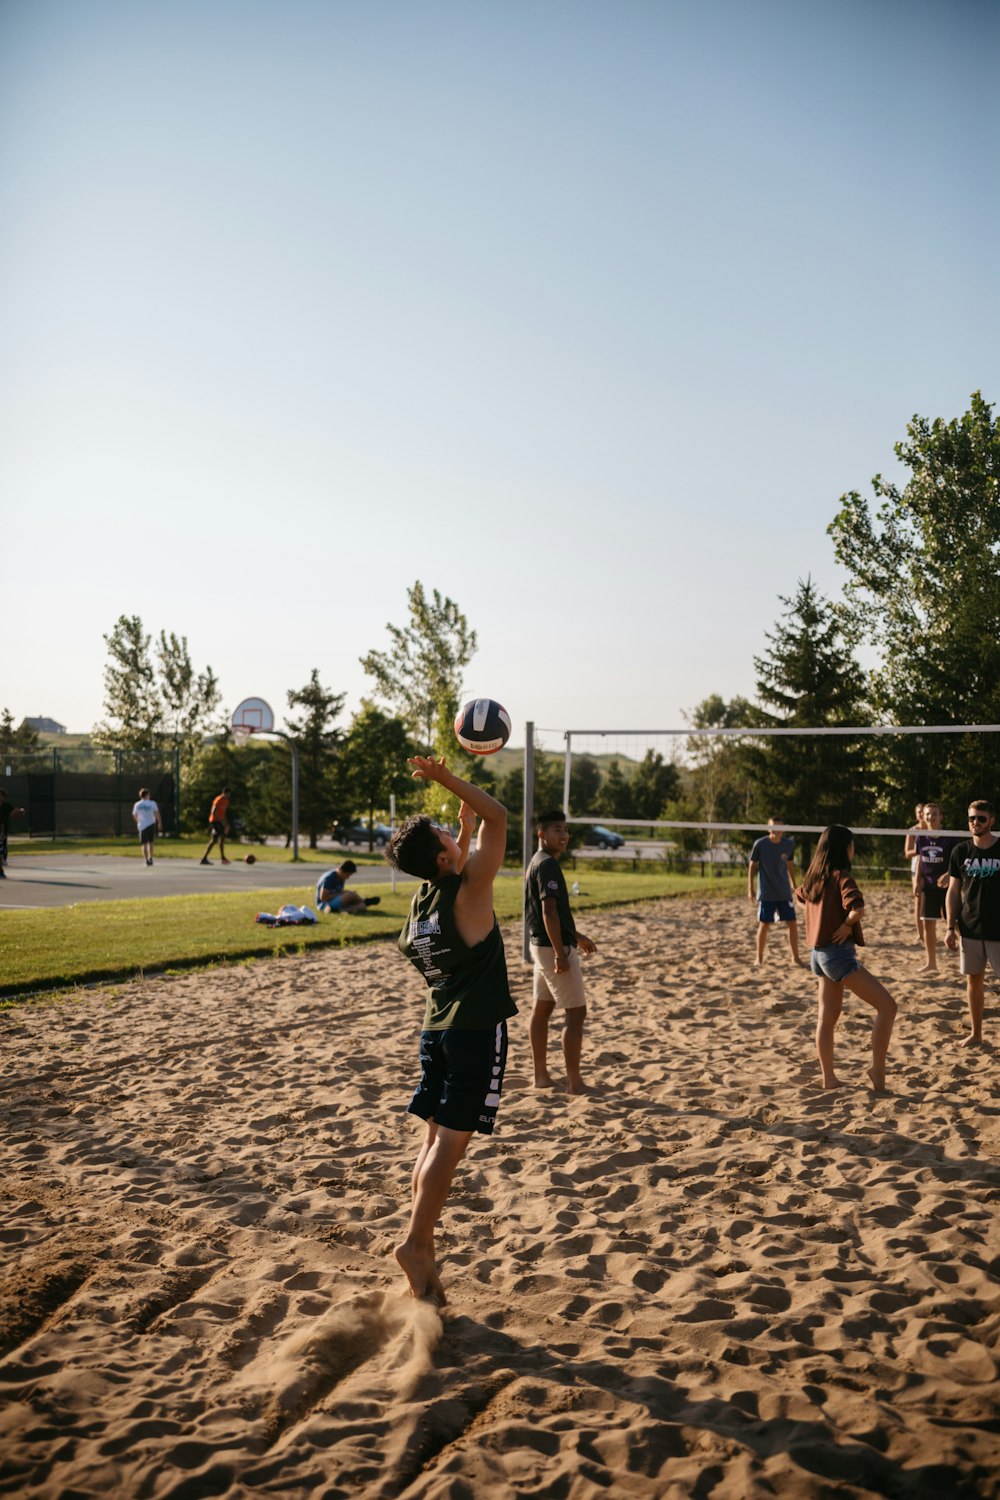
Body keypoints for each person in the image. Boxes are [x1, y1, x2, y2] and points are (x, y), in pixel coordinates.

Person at [385, 756, 516, 1305]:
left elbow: (468, 836)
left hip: (435, 1031)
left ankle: (422, 1244)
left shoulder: (422, 902)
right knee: (450, 1145)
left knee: (434, 1139)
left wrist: (458, 827)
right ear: (442, 857)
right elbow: (501, 817)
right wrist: (446, 780)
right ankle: (417, 1243)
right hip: (474, 1031)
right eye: (445, 834)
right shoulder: (470, 890)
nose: (452, 830)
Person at [795, 824, 897, 1091]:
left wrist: (822, 917)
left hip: (817, 955)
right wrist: (846, 924)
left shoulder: (814, 876)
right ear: (845, 848)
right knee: (888, 1007)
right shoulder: (842, 877)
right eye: (852, 845)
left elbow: (801, 899)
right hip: (837, 955)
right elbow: (857, 908)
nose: (854, 849)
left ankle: (829, 1078)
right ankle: (877, 1070)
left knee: (826, 1019)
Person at [525, 809, 597, 1093]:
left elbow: (552, 913)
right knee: (577, 1013)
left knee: (542, 1009)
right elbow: (548, 912)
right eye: (557, 829)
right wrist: (560, 953)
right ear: (541, 834)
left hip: (539, 946)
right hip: (550, 948)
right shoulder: (547, 865)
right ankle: (575, 1083)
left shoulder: (537, 861)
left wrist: (576, 936)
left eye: (566, 829)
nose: (564, 834)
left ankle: (540, 1077)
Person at [945, 799, 1000, 1047]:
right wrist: (949, 927)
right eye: (971, 818)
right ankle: (977, 1034)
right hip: (970, 928)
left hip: (998, 929)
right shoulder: (961, 851)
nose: (975, 823)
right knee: (974, 980)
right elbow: (953, 892)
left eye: (980, 818)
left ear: (992, 820)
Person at [748, 817, 804, 967]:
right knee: (764, 924)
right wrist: (750, 888)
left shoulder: (788, 844)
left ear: (783, 829)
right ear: (768, 828)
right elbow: (752, 866)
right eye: (773, 827)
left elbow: (790, 865)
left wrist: (794, 883)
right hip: (766, 892)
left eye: (779, 827)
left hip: (784, 891)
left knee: (792, 923)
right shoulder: (760, 844)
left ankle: (795, 957)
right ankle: (759, 958)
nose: (776, 830)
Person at [914, 803, 958, 973]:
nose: (930, 817)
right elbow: (920, 860)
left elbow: (957, 861)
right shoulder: (921, 837)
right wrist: (918, 880)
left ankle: (967, 956)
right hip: (929, 886)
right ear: (923, 816)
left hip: (948, 887)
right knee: (928, 924)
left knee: (955, 923)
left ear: (941, 816)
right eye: (927, 814)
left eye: (934, 814)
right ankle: (931, 962)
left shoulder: (950, 837)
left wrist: (949, 874)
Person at [314, 859, 381, 914]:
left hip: (333, 904)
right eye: (347, 875)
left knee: (362, 907)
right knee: (350, 894)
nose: (348, 877)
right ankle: (365, 901)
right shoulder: (329, 878)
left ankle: (339, 910)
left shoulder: (341, 878)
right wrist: (343, 893)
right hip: (324, 905)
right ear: (341, 871)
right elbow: (323, 897)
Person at [904, 803, 928, 941]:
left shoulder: (935, 829)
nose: (920, 814)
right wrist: (920, 849)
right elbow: (907, 853)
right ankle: (920, 935)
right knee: (918, 900)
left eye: (922, 812)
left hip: (933, 867)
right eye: (918, 812)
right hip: (916, 867)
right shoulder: (913, 830)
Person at [131, 787, 163, 867]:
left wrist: (139, 821)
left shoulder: (137, 804)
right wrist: (159, 822)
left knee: (144, 844)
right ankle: (150, 858)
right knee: (151, 842)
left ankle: (146, 860)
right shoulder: (152, 803)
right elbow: (157, 813)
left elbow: (134, 815)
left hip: (142, 825)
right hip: (151, 824)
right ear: (147, 795)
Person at [200, 787, 231, 866]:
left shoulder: (226, 801)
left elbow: (224, 813)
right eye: (227, 794)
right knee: (219, 837)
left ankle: (220, 858)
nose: (228, 796)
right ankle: (220, 858)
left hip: (219, 821)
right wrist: (219, 820)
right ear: (224, 793)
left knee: (217, 839)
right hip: (214, 821)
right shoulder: (218, 799)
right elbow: (213, 811)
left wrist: (226, 824)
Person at [0, 789, 25, 879]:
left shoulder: (6, 806)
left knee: (1, 850)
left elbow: (15, 812)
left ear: (3, 797)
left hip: (2, 831)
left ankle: (1, 869)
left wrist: (20, 811)